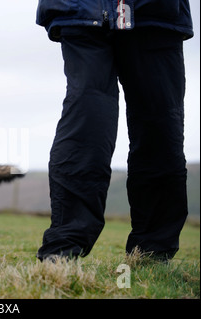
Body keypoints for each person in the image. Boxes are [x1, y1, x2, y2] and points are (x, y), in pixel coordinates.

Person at [35, 0, 193, 262]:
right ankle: (63, 249)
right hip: (83, 12)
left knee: (159, 128)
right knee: (89, 123)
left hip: (154, 13)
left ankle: (152, 252)